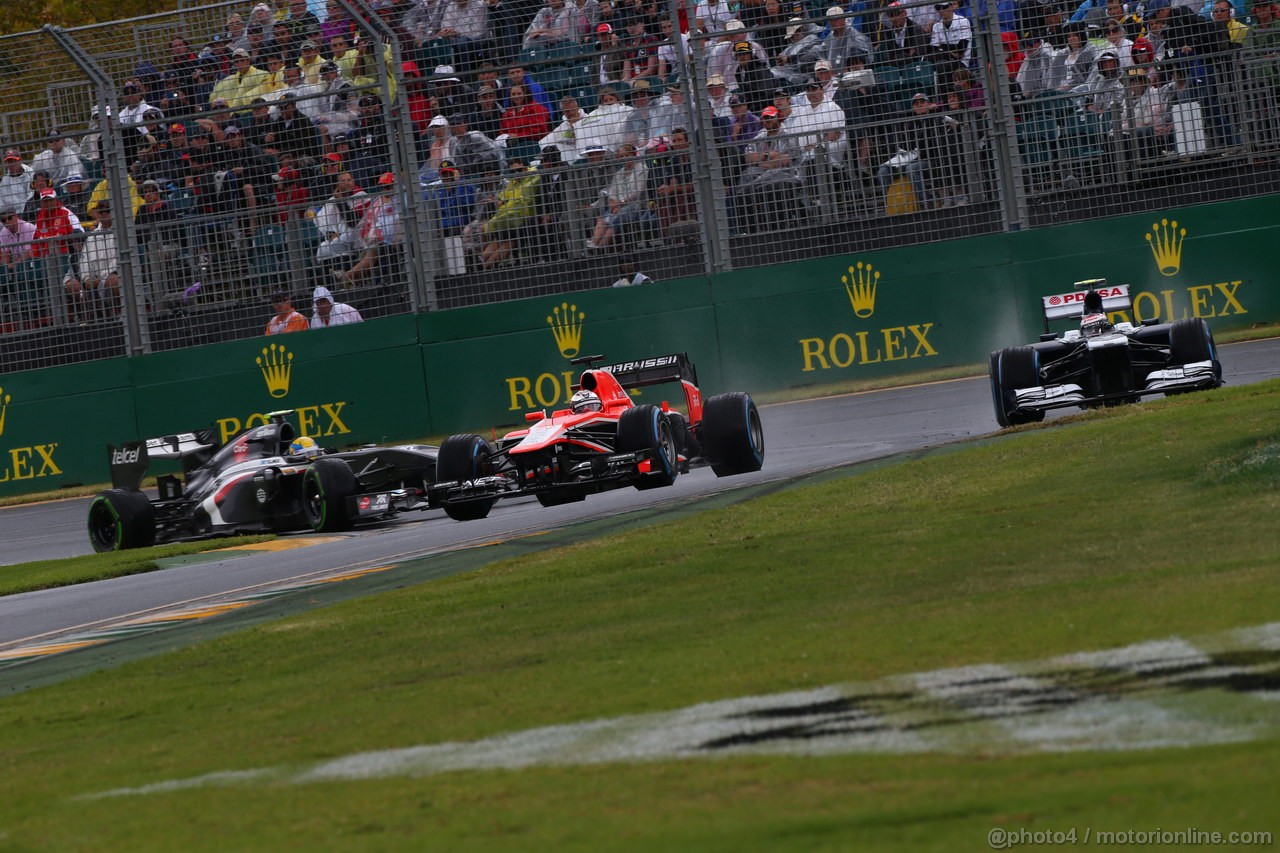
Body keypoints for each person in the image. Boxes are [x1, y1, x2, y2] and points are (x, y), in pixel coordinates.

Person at [64, 201, 120, 322]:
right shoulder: (91, 237)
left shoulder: (120, 232)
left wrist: (102, 278)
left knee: (113, 281)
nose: (104, 214)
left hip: (112, 278)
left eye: (107, 211)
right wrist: (87, 279)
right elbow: (85, 263)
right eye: (101, 212)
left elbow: (118, 262)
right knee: (75, 287)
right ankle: (87, 322)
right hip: (94, 281)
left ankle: (119, 317)